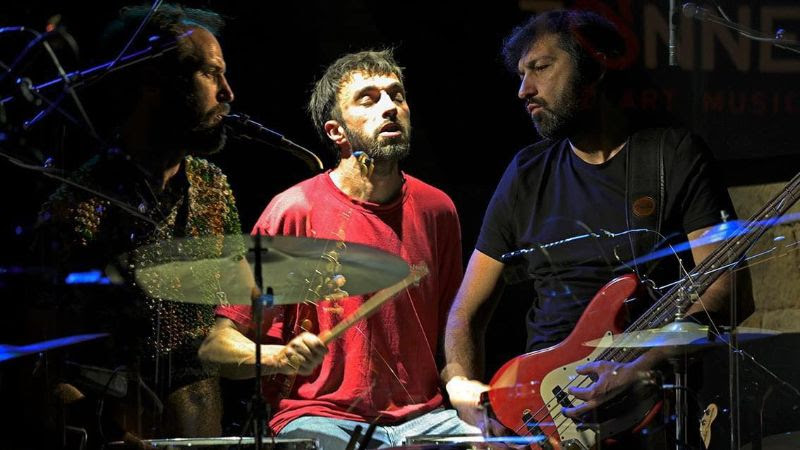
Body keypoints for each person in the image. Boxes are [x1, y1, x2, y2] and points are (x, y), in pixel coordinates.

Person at [443, 9, 754, 441]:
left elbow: (728, 292)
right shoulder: (526, 174)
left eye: (541, 68)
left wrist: (641, 365)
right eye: (521, 74)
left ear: (594, 68)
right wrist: (461, 386)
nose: (524, 90)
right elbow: (465, 312)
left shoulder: (671, 155)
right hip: (540, 414)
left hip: (648, 410)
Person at [199, 50, 477, 448]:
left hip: (425, 419)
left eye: (396, 95)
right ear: (336, 132)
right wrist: (280, 356)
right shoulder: (293, 212)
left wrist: (462, 384)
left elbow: (454, 325)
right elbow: (216, 347)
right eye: (369, 99)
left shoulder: (438, 209)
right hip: (321, 418)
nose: (390, 107)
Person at [34, 4, 239, 446]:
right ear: (153, 82)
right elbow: (39, 360)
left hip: (198, 423)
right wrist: (101, 428)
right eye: (211, 74)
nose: (228, 93)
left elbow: (236, 303)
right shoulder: (74, 206)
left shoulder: (213, 187)